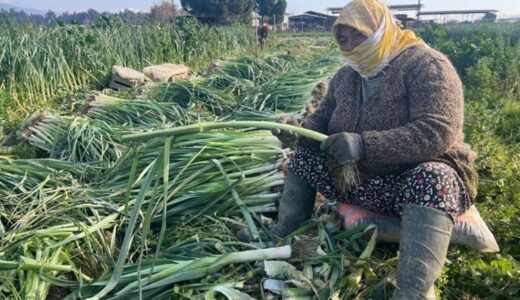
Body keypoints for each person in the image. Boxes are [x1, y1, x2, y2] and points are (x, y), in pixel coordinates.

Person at [239, 0, 479, 299]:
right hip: (358, 180)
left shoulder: (426, 66)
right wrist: (297, 133)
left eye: (359, 35)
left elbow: (438, 130)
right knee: (304, 158)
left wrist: (365, 144)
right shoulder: (346, 76)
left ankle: (412, 292)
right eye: (343, 39)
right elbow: (321, 119)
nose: (350, 45)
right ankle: (285, 231)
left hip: (412, 183)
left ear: (381, 30)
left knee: (433, 177)